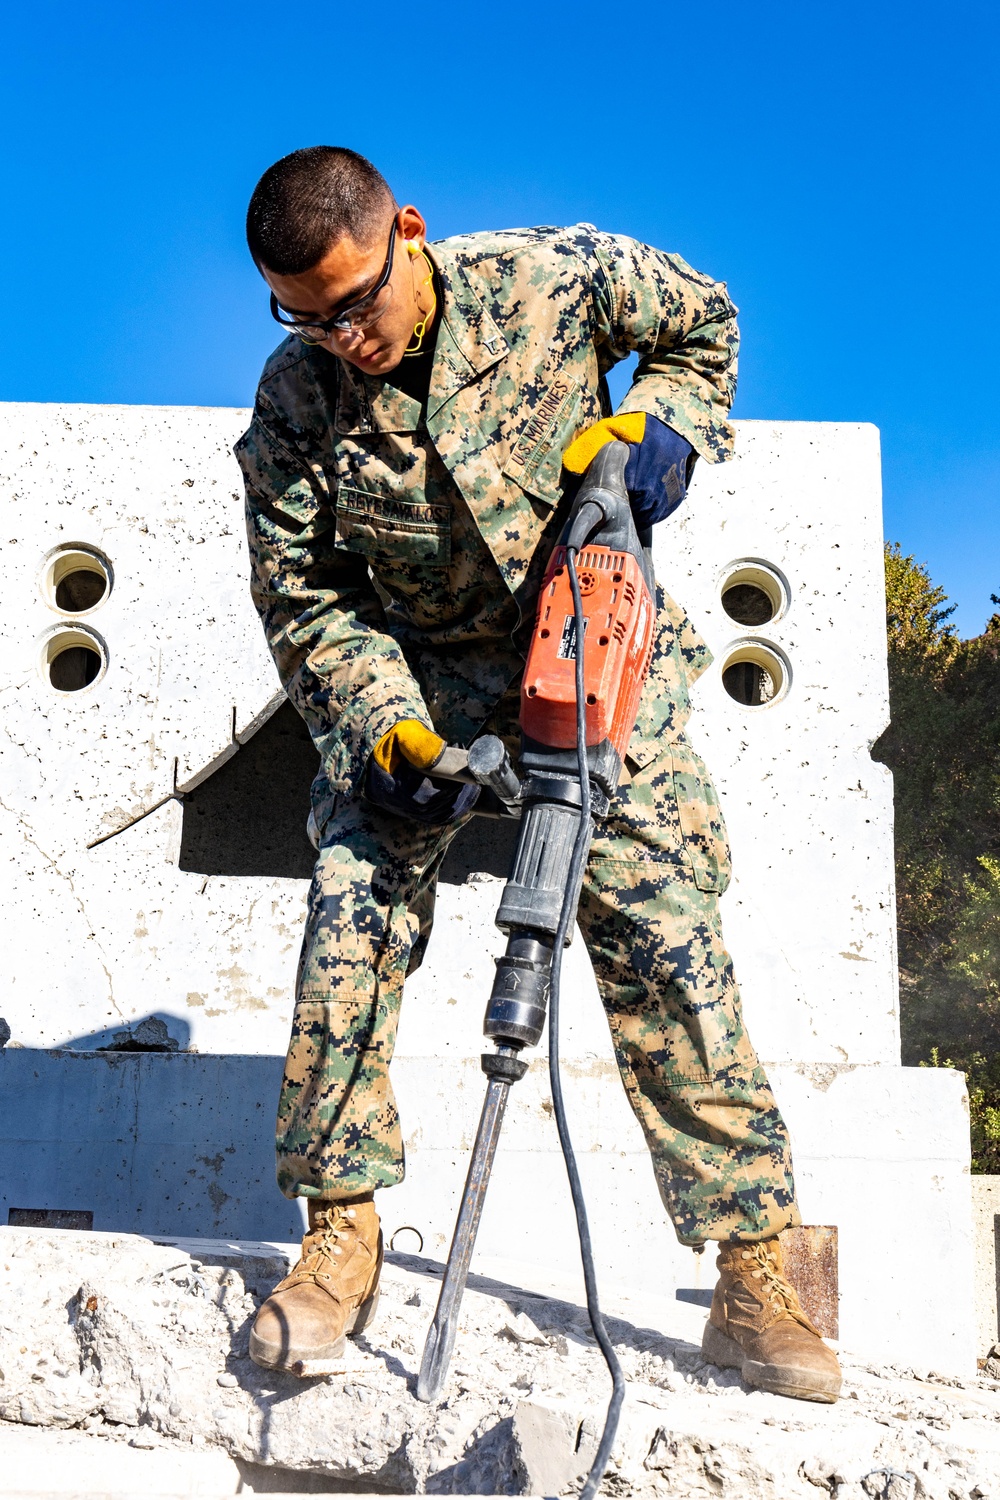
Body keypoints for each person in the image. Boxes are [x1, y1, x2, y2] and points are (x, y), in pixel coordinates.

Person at [235, 145, 842, 1403]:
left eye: (355, 303)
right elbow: (306, 599)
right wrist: (379, 727)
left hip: (592, 636)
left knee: (662, 931)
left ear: (408, 230)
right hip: (421, 681)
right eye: (304, 313)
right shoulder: (294, 402)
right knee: (349, 902)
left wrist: (666, 424)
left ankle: (752, 1269)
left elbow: (704, 318)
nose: (340, 337)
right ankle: (340, 1235)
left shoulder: (551, 279)